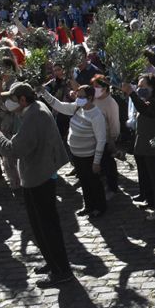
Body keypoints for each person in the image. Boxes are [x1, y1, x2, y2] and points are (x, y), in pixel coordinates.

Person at [0, 82, 73, 287]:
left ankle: (62, 271)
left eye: (12, 99)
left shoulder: (34, 115)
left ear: (23, 100)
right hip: (37, 174)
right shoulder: (32, 110)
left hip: (39, 177)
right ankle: (53, 262)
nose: (9, 103)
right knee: (39, 225)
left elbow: (15, 149)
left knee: (47, 227)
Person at [41, 84, 107, 218]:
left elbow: (101, 140)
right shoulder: (77, 107)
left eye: (82, 96)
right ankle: (88, 206)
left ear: (90, 98)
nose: (78, 98)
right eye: (77, 95)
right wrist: (43, 93)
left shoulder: (96, 115)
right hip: (77, 155)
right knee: (84, 181)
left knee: (93, 182)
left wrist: (96, 162)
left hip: (89, 156)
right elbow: (58, 105)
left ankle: (100, 207)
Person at [125, 74, 155, 220]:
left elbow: (146, 111)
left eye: (143, 86)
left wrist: (132, 94)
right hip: (151, 145)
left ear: (152, 87)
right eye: (138, 86)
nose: (140, 89)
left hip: (154, 147)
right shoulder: (154, 100)